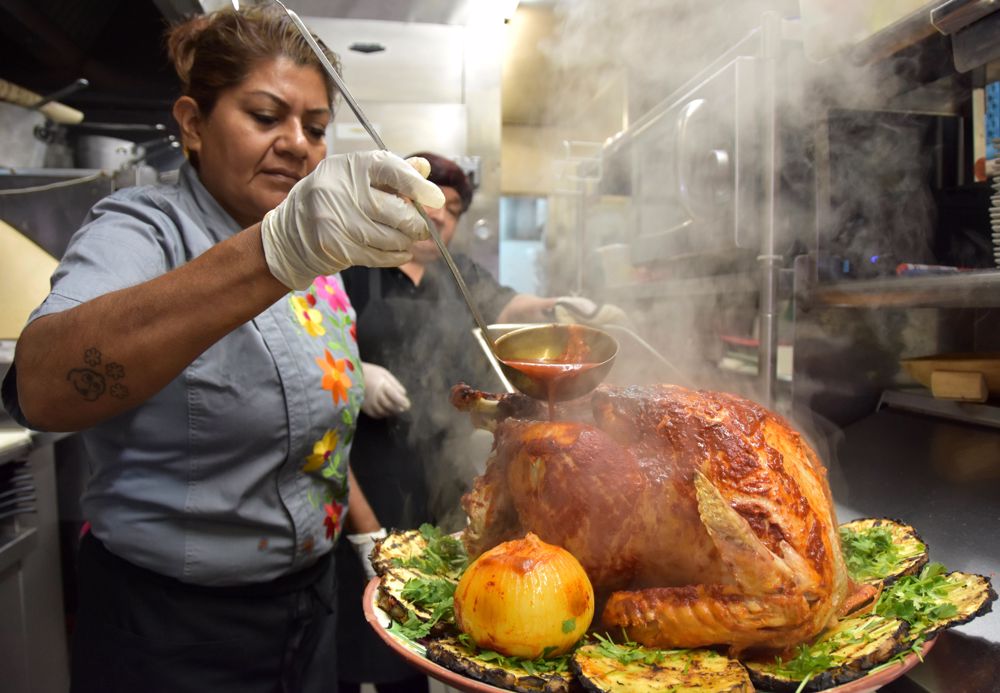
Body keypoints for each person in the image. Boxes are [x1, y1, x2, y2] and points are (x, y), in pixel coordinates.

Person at [0, 7, 446, 693]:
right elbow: (43, 388)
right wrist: (275, 251)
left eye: (317, 128)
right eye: (266, 116)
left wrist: (370, 537)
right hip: (172, 633)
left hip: (310, 610)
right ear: (191, 122)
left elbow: (320, 438)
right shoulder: (142, 230)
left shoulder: (321, 266)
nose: (298, 144)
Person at [335, 152, 608, 693]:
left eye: (452, 209)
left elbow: (507, 306)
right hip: (370, 465)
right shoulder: (358, 267)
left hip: (444, 463)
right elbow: (316, 339)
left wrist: (558, 304)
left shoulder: (458, 272)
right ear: (401, 201)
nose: (440, 218)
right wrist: (354, 373)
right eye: (430, 202)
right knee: (364, 616)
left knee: (433, 611)